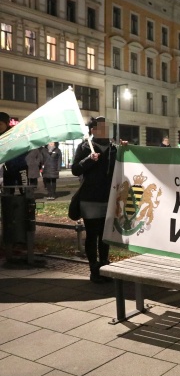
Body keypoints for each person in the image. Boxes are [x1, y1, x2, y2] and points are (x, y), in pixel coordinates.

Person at [71, 117, 125, 283]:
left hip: (108, 198)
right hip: (90, 198)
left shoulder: (114, 149)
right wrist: (89, 160)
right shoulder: (85, 146)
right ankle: (94, 269)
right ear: (93, 130)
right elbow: (75, 169)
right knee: (92, 234)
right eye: (101, 127)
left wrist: (127, 150)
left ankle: (104, 266)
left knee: (105, 235)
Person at [0, 112, 28, 193]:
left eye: (0, 124)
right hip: (5, 170)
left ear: (7, 123)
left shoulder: (15, 135)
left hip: (20, 167)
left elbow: (24, 149)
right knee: (8, 193)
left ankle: (26, 204)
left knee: (24, 191)